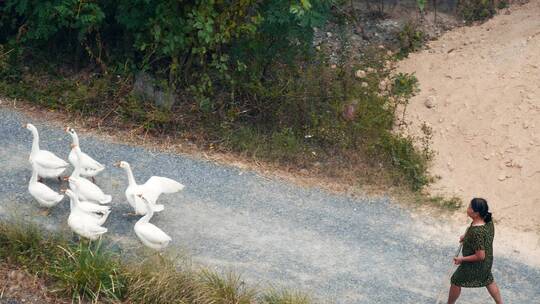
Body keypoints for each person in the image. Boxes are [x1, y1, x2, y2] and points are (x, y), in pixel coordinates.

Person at [447, 198, 503, 304]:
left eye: (469, 207)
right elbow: (481, 239)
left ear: (476, 213)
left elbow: (480, 256)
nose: (467, 209)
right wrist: (467, 236)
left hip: (477, 264)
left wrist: (461, 259)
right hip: (487, 261)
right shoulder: (487, 220)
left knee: (456, 280)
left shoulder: (477, 232)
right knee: (488, 279)